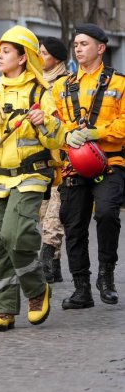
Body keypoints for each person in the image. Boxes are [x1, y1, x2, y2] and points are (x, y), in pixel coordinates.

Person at [0, 26, 61, 331]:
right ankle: (4, 308)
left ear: (22, 57)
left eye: (6, 51)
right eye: (0, 51)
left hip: (29, 176)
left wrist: (47, 122)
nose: (0, 56)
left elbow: (58, 140)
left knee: (14, 235)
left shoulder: (41, 94)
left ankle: (35, 289)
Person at [51, 23, 125, 309]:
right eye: (76, 44)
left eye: (84, 44)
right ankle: (81, 288)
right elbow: (52, 122)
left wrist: (99, 132)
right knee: (73, 225)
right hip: (73, 164)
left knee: (107, 214)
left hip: (110, 163)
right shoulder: (62, 85)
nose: (78, 48)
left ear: (101, 48)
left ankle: (106, 275)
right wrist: (66, 134)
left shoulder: (119, 83)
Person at [38, 36, 69, 283]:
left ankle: (47, 256)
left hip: (64, 160)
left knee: (53, 217)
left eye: (44, 53)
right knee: (44, 213)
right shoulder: (36, 83)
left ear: (57, 58)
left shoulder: (66, 84)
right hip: (40, 160)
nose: (39, 57)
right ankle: (54, 268)